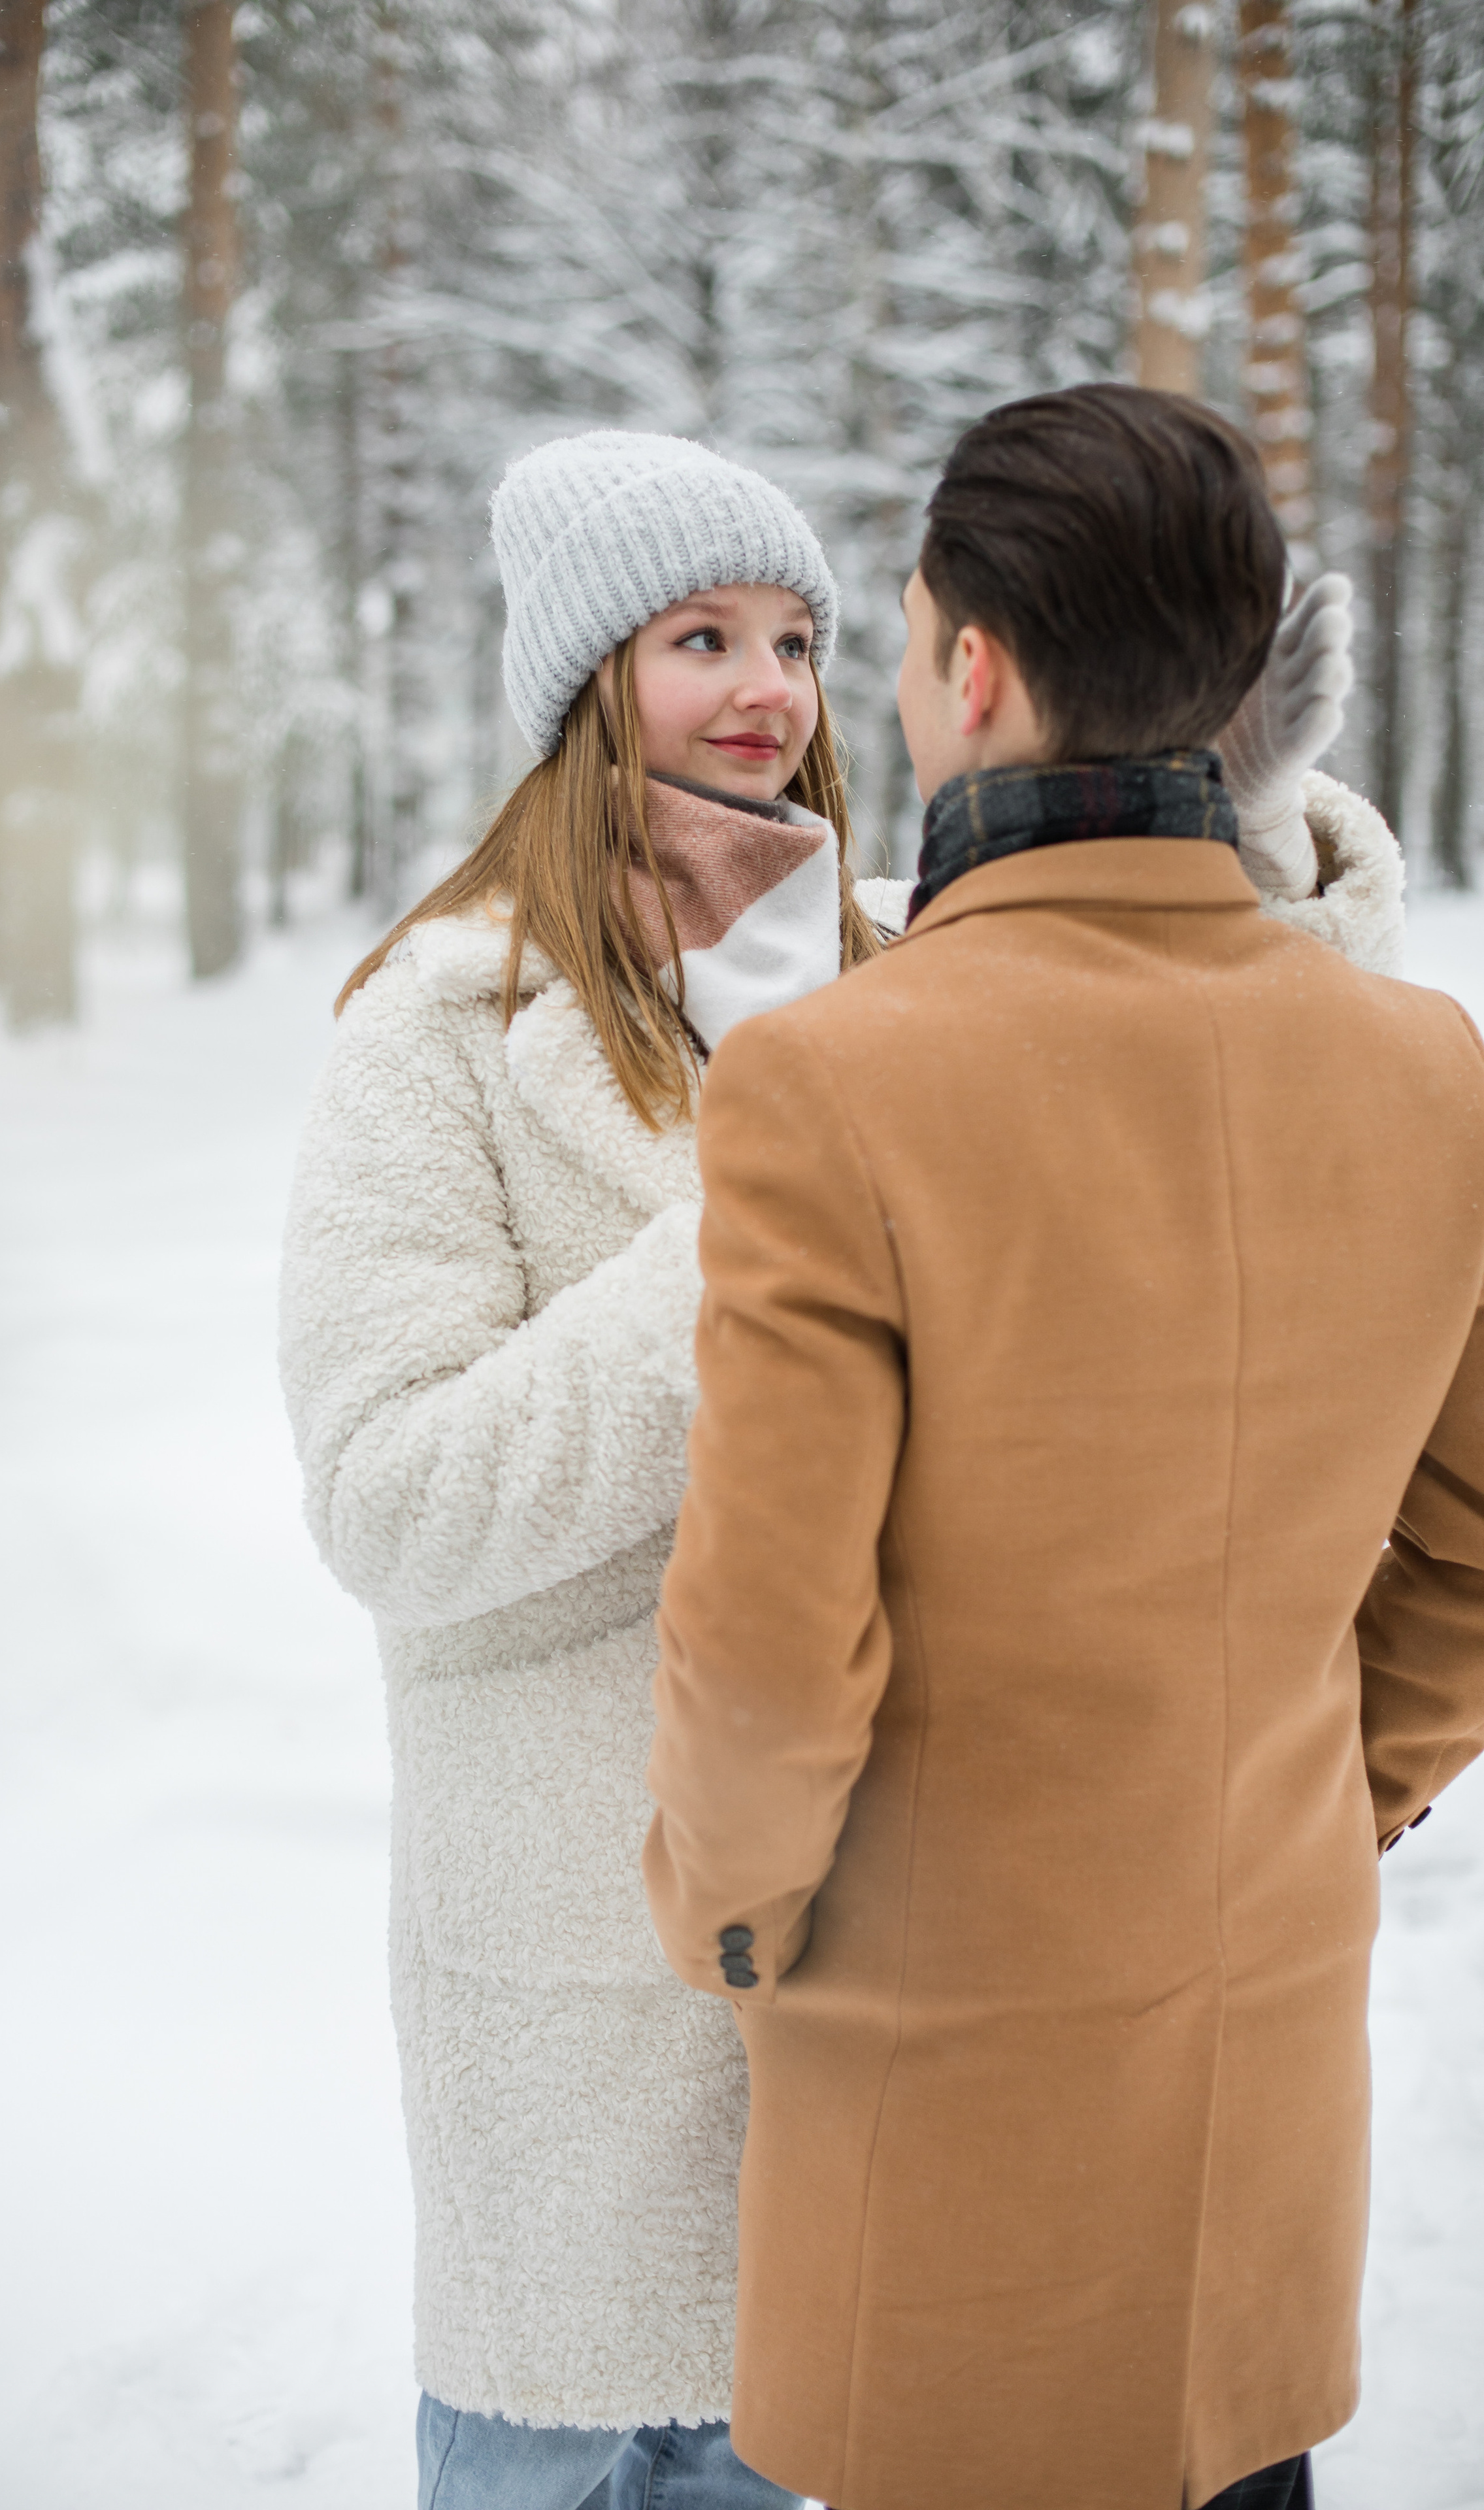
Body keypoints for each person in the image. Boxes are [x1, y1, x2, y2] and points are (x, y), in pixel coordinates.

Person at [279, 424, 1402, 2509]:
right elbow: (391, 1500)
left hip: (920, 2029)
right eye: (699, 634)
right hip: (604, 2033)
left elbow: (1236, 1062)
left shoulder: (908, 958)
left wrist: (1219, 812)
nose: (769, 688)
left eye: (800, 634)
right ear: (582, 683)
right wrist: (754, 1222)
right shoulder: (433, 1028)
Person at [640, 382, 1484, 2510]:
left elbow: (768, 1641)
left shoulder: (839, 1086)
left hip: (947, 2082)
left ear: (972, 669)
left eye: (903, 633)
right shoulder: (1426, 1070)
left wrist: (729, 1919)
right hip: (1252, 2053)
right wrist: (1335, 1793)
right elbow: (1466, 1552)